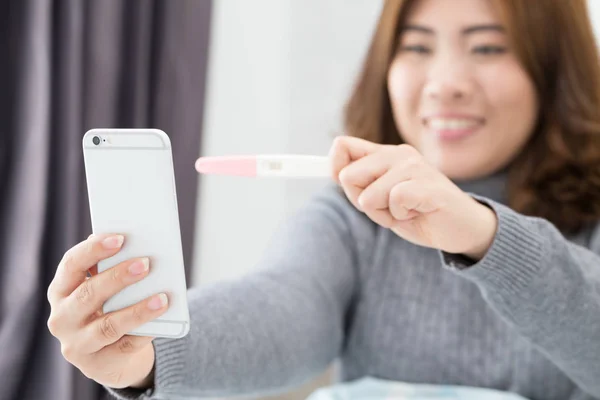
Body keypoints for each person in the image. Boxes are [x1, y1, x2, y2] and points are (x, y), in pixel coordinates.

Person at [47, 0, 600, 399]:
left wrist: (482, 235)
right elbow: (282, 306)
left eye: (487, 47)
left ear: (553, 69)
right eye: (416, 47)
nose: (445, 82)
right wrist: (150, 354)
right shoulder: (349, 220)